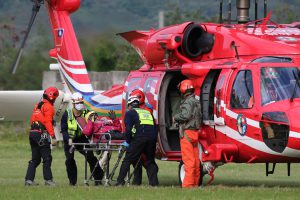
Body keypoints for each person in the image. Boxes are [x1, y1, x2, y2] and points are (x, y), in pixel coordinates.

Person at [61, 92, 104, 186]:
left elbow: (93, 119)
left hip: (81, 138)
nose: (80, 105)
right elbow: (63, 129)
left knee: (91, 157)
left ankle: (98, 179)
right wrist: (68, 139)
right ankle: (72, 182)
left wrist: (93, 117)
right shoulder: (67, 114)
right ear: (73, 103)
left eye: (81, 102)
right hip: (70, 139)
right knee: (69, 160)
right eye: (77, 103)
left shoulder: (86, 112)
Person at [116, 96, 159, 186]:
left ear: (130, 105)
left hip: (139, 139)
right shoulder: (147, 113)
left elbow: (128, 129)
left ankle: (120, 182)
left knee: (127, 160)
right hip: (152, 139)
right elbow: (155, 127)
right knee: (150, 161)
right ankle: (154, 184)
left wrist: (128, 141)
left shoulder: (130, 113)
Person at [25, 87, 59, 186]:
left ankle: (29, 180)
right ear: (52, 97)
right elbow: (47, 122)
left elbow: (35, 119)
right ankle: (48, 180)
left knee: (35, 159)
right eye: (55, 98)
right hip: (41, 134)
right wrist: (53, 136)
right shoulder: (49, 107)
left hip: (32, 133)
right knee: (47, 157)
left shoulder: (38, 105)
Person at [173, 79, 202, 188]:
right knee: (195, 161)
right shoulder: (196, 101)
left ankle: (188, 185)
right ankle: (194, 184)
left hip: (187, 133)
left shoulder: (188, 102)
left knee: (188, 161)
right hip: (195, 133)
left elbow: (185, 115)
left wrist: (175, 117)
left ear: (183, 89)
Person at [129, 89, 153, 185]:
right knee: (136, 161)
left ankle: (152, 181)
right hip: (138, 137)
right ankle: (137, 181)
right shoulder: (135, 108)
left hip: (145, 137)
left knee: (147, 161)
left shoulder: (147, 108)